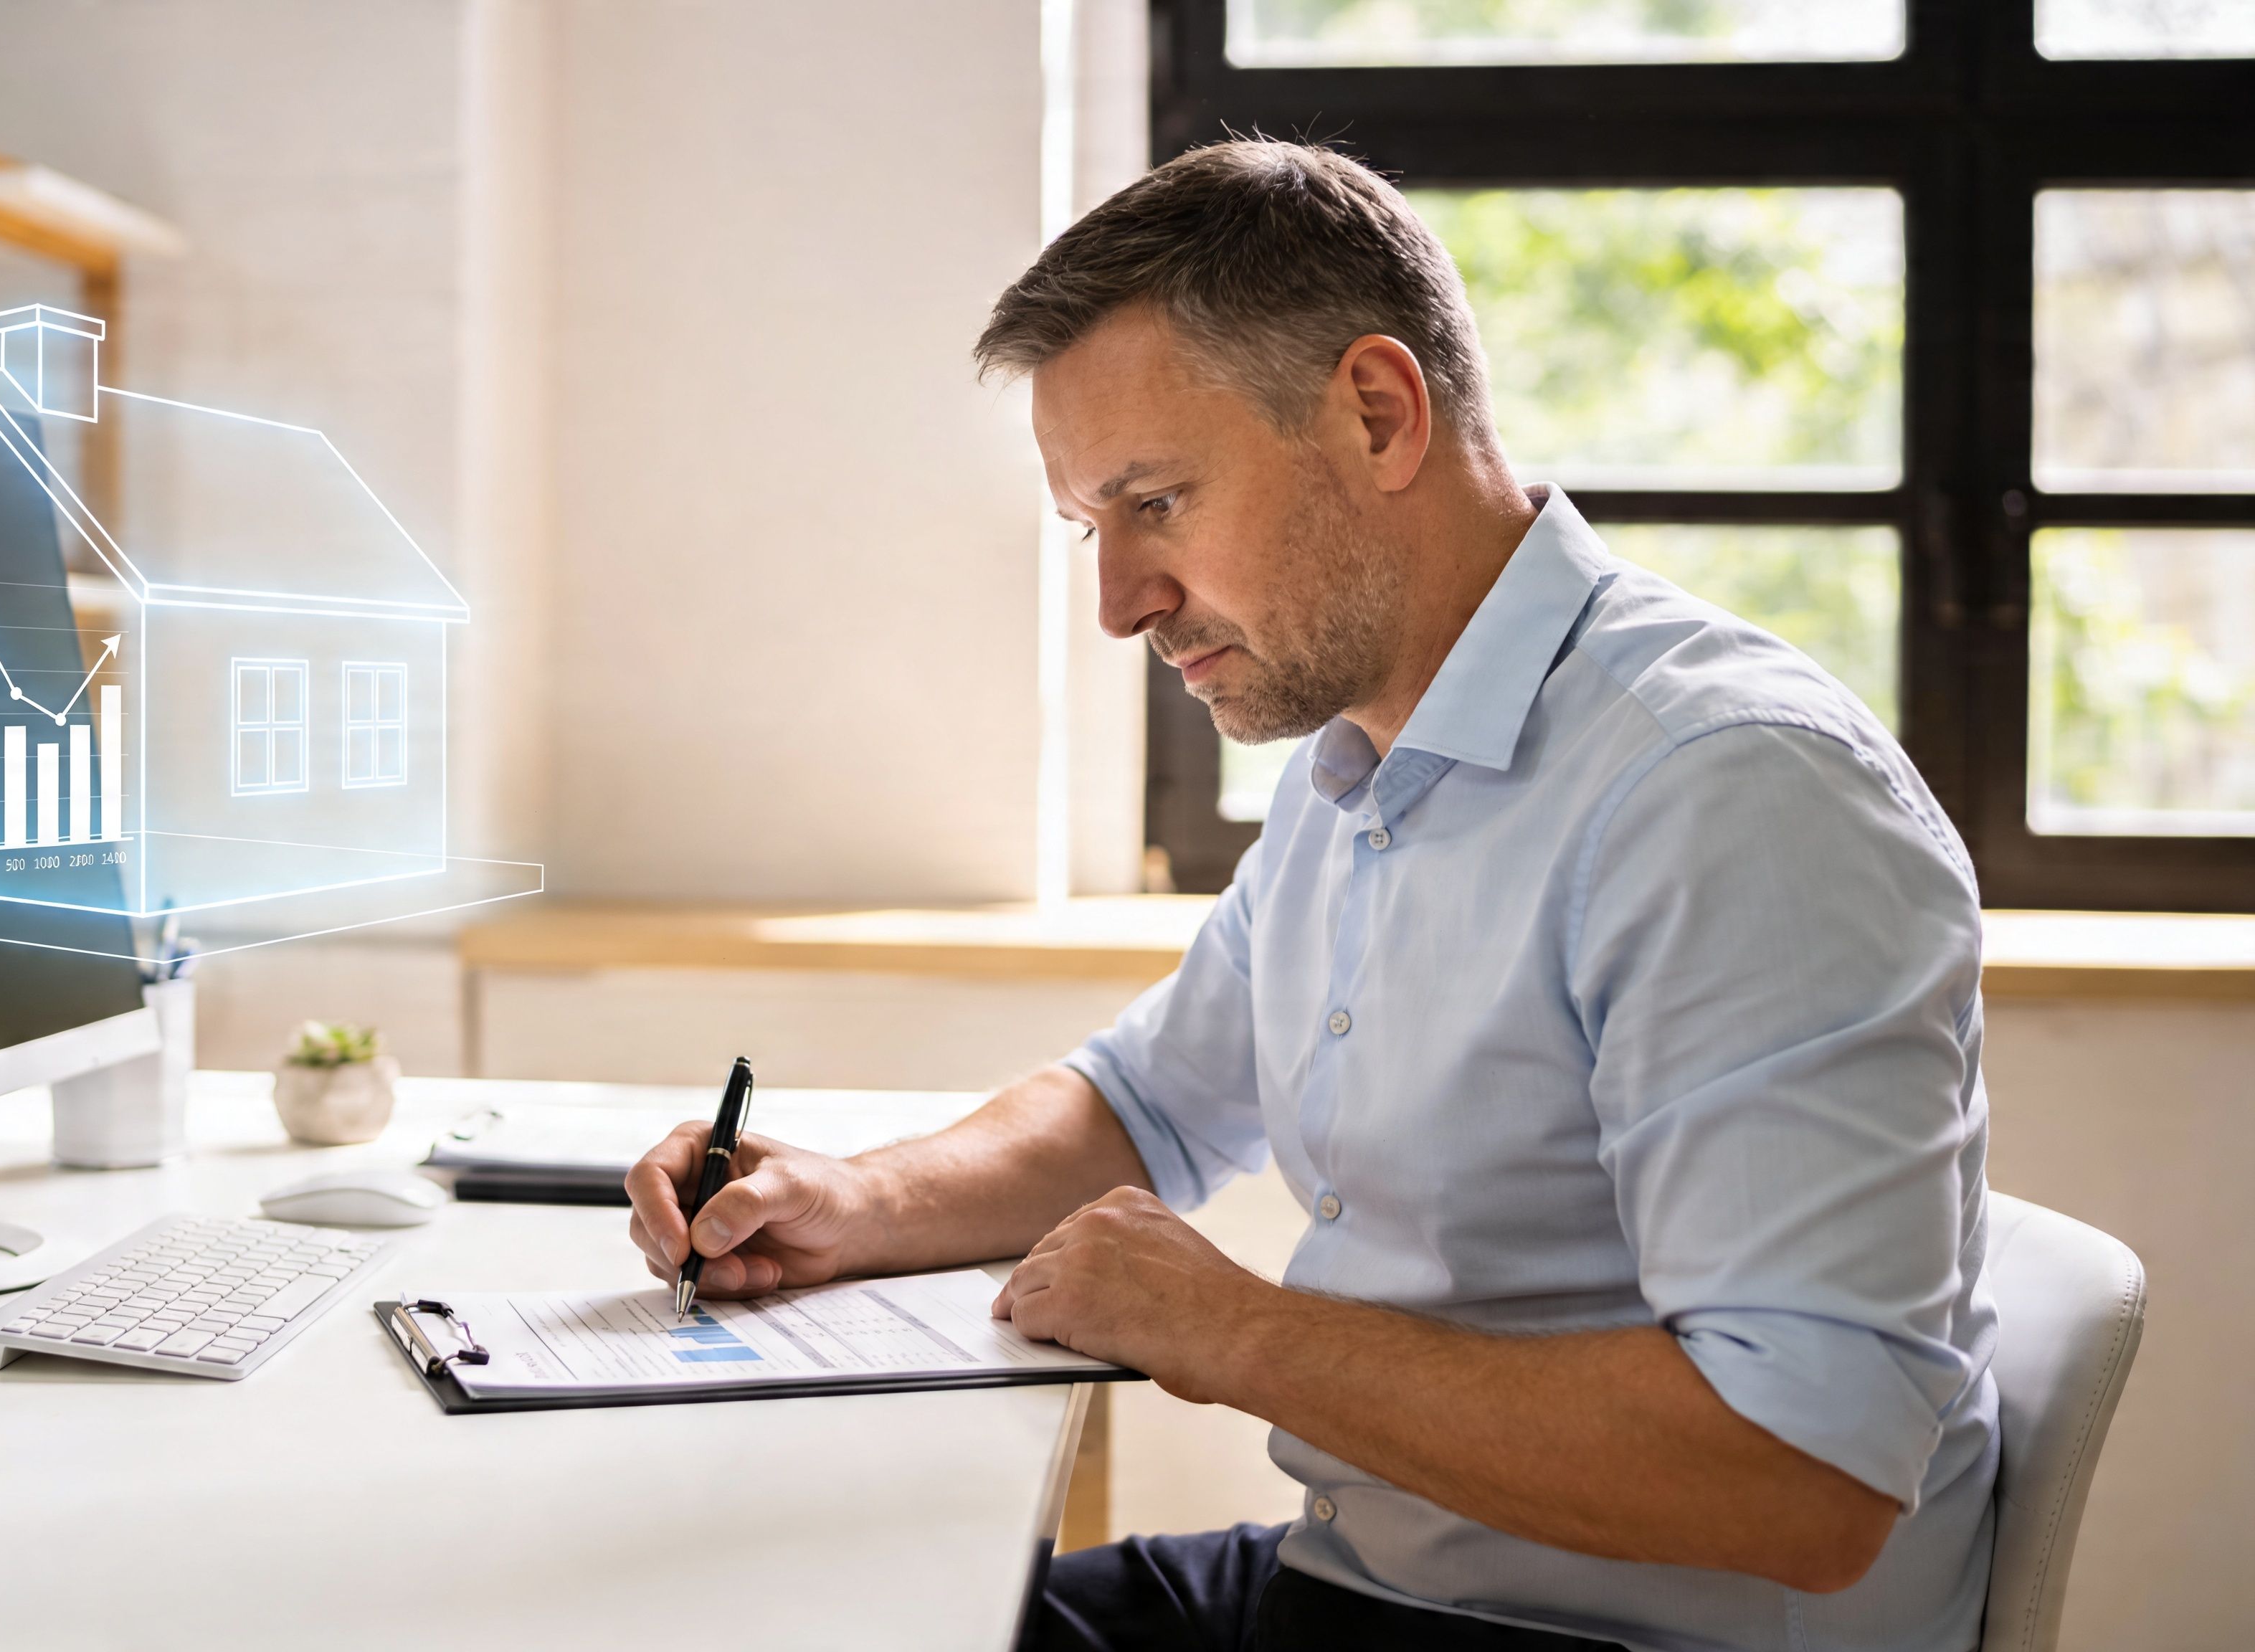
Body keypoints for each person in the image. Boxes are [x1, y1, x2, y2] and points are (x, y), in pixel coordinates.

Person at [625, 140, 1995, 1652]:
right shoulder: (1360, 769)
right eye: (1094, 529)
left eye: (1156, 503)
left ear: (1375, 413)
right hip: (1373, 1580)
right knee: (776, 1615)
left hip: (1581, 1636)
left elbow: (1798, 1479)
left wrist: (1234, 1330)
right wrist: (853, 1202)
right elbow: (1142, 1106)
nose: (1116, 604)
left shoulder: (1727, 798)